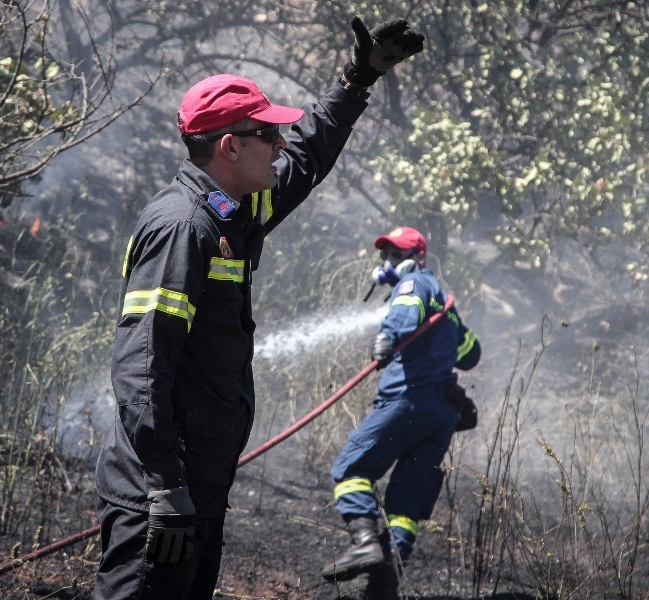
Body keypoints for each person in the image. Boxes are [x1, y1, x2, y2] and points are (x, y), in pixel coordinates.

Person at [94, 17, 427, 600]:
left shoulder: (232, 211)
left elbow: (309, 154)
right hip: (162, 493)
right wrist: (166, 488)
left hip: (197, 486)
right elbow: (142, 366)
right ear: (230, 145)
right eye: (267, 135)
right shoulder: (183, 228)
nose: (279, 144)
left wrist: (358, 80)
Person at [322, 226, 481, 587]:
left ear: (418, 257)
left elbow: (404, 314)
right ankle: (384, 585)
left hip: (407, 401)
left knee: (350, 470)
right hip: (441, 415)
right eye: (386, 255)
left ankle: (364, 543)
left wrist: (387, 337)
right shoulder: (444, 304)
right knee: (405, 503)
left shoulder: (414, 285)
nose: (389, 262)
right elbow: (471, 355)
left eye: (397, 254)